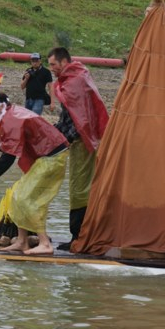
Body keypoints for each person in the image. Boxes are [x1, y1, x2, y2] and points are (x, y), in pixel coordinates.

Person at [0, 72, 69, 255]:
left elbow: (10, 156)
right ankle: (22, 241)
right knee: (17, 195)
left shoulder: (11, 119)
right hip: (43, 155)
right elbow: (15, 143)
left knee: (25, 198)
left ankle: (44, 243)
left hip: (52, 157)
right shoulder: (10, 112)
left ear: (2, 105)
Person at [47, 47, 109, 249]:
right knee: (83, 186)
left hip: (84, 141)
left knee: (79, 188)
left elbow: (79, 119)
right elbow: (70, 115)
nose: (51, 69)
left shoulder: (74, 82)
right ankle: (83, 234)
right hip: (86, 139)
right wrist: (54, 133)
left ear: (64, 62)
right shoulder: (78, 77)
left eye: (53, 64)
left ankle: (78, 236)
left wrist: (62, 137)